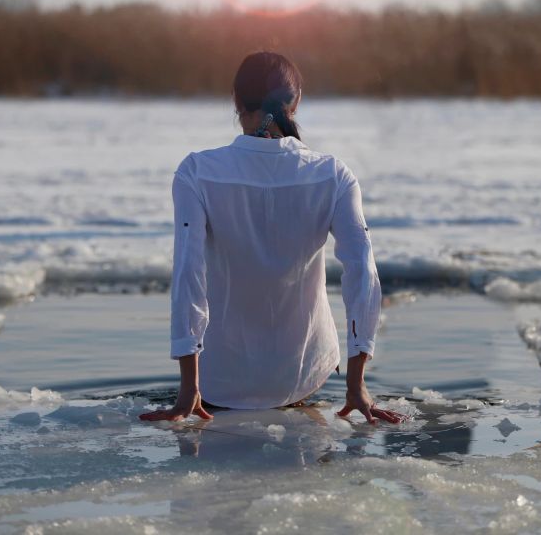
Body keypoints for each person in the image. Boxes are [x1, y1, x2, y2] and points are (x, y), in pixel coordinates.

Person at [140, 51, 405, 425]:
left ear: (235, 100)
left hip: (218, 382)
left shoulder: (197, 172)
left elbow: (188, 273)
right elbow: (362, 270)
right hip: (303, 376)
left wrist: (189, 387)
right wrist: (357, 382)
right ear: (295, 102)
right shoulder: (332, 175)